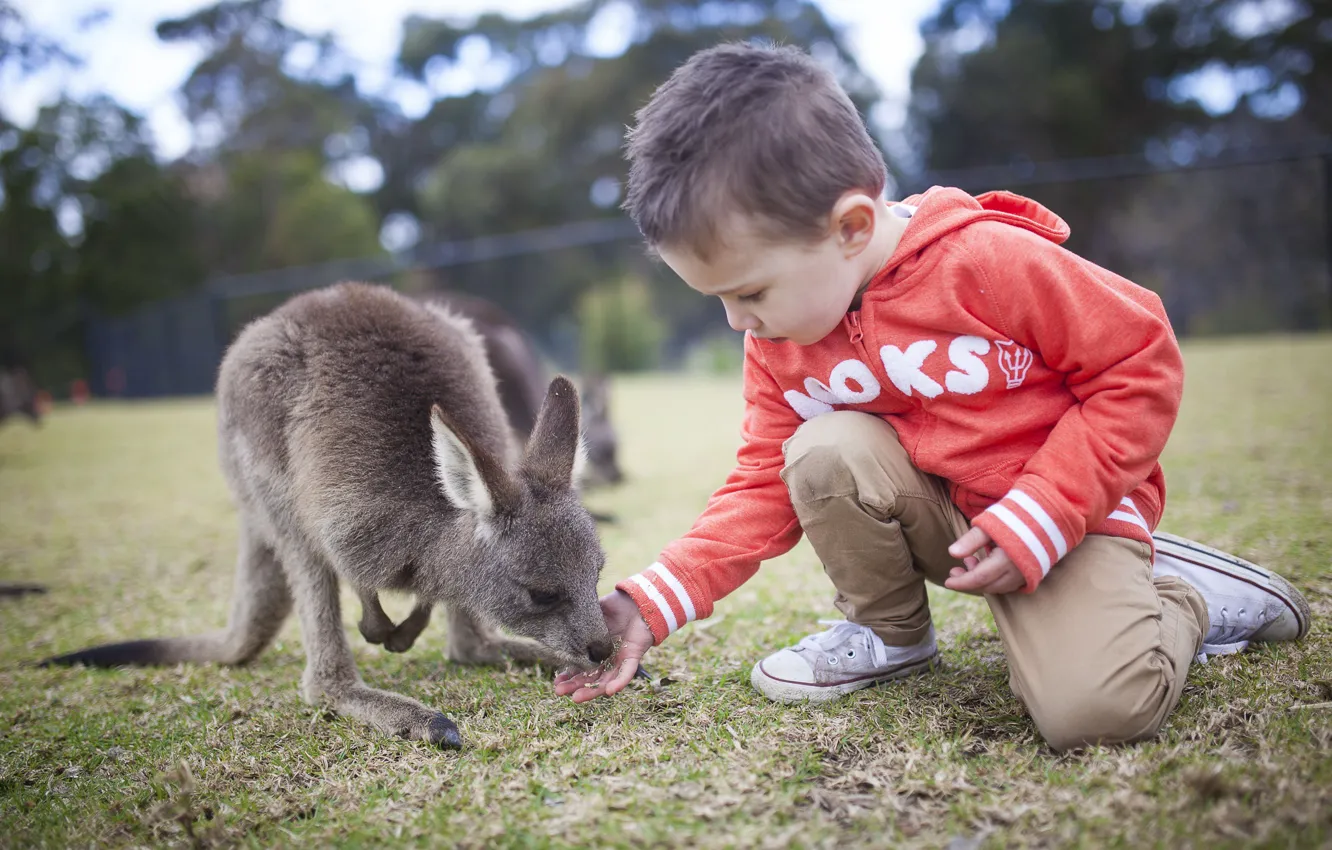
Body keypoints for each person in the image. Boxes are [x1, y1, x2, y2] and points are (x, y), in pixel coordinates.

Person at [553, 42, 1310, 750]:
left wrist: (1046, 511)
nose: (736, 321)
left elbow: (1138, 360)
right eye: (718, 298)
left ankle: (1178, 595)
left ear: (851, 226)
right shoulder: (780, 340)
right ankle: (891, 635)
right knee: (820, 449)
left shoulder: (988, 262)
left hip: (1066, 517)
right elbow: (760, 480)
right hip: (949, 527)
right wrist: (654, 600)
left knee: (1095, 715)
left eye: (749, 292)